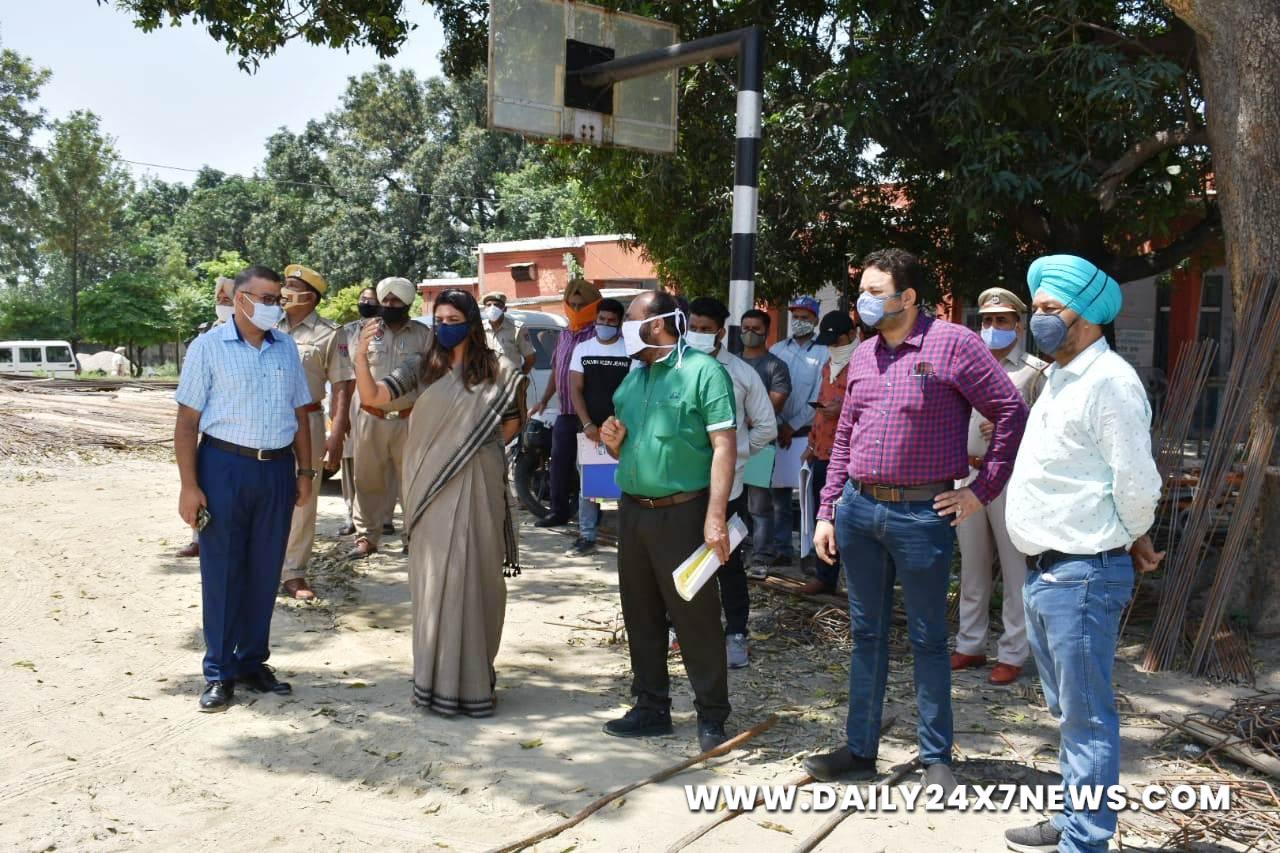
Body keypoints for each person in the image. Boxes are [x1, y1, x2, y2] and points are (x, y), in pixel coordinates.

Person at [806, 249, 1028, 794]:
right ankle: (860, 751)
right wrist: (828, 510)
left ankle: (936, 759)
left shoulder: (954, 344)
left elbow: (1010, 411)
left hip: (922, 514)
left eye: (875, 292)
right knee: (866, 634)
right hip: (859, 510)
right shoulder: (863, 355)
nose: (864, 301)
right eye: (861, 291)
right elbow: (844, 437)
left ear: (907, 297)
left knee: (928, 639)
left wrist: (981, 489)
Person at [1002, 256, 1163, 853]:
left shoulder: (1110, 383)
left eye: (1050, 309)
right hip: (1049, 572)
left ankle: (1086, 840)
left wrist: (1127, 533)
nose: (1037, 319)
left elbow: (1137, 483)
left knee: (1088, 716)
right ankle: (1074, 818)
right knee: (1069, 711)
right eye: (1036, 308)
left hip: (1082, 574)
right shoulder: (1062, 376)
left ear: (1088, 315)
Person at [352, 289, 523, 717]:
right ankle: (434, 682)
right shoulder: (422, 365)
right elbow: (374, 398)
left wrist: (473, 448)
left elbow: (512, 421)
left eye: (454, 320)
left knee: (480, 578)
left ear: (471, 323)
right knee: (434, 580)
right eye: (439, 320)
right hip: (429, 487)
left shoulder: (497, 369)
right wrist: (360, 358)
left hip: (479, 483)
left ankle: (476, 680)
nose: (445, 327)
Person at [599, 291, 738, 751]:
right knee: (639, 612)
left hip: (684, 513)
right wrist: (613, 442)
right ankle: (651, 707)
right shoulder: (633, 379)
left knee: (695, 616)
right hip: (634, 511)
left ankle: (712, 714)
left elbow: (724, 446)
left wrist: (715, 516)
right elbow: (623, 448)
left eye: (630, 319)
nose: (622, 328)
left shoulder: (704, 373)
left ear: (656, 324)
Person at [173, 265, 314, 712]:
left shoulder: (285, 346)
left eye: (278, 299)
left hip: (276, 471)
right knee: (223, 571)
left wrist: (306, 473)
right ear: (240, 300)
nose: (276, 307)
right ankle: (219, 671)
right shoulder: (208, 347)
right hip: (224, 467)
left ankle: (252, 662)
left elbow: (301, 413)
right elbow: (187, 422)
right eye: (267, 299)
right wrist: (189, 486)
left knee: (265, 570)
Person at [950, 288, 1048, 685]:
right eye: (987, 321)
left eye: (1002, 320)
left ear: (1019, 326)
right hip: (969, 474)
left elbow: (1050, 426)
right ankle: (970, 643)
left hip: (1011, 477)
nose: (993, 327)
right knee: (972, 565)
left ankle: (1012, 651)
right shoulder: (966, 366)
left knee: (1014, 568)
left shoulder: (1034, 371)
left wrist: (1016, 425)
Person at [687, 296, 776, 669]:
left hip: (728, 490)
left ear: (721, 333)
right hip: (682, 488)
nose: (698, 334)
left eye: (706, 330)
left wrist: (737, 457)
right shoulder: (674, 366)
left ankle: (736, 633)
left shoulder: (740, 372)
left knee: (728, 563)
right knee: (682, 558)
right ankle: (681, 630)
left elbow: (766, 426)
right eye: (693, 327)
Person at [275, 264, 352, 600]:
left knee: (303, 497)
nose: (284, 291)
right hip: (266, 419)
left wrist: (337, 433)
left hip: (308, 420)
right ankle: (262, 567)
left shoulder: (329, 333)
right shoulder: (266, 324)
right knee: (265, 493)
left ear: (309, 296)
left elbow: (342, 386)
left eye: (291, 287)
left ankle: (293, 572)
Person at [347, 276, 432, 559]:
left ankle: (413, 537)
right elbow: (355, 371)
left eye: (397, 300)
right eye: (386, 300)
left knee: (412, 481)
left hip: (409, 419)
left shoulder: (423, 335)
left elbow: (430, 378)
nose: (391, 304)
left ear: (408, 303)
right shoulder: (364, 332)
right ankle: (366, 537)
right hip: (370, 418)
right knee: (366, 480)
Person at [530, 278, 601, 528]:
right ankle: (558, 512)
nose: (576, 309)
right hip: (566, 411)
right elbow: (556, 369)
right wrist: (543, 400)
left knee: (592, 468)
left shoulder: (599, 334)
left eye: (581, 305)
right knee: (559, 462)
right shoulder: (565, 334)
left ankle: (593, 519)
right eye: (572, 304)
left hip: (590, 414)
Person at [798, 310, 859, 595]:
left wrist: (845, 408)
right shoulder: (828, 366)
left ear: (852, 335)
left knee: (850, 521)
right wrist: (811, 444)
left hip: (852, 456)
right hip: (824, 452)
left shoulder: (865, 364)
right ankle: (826, 576)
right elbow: (821, 406)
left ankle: (855, 582)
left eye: (837, 341)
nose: (833, 346)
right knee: (824, 516)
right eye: (829, 342)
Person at [177, 276, 237, 560]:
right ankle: (198, 537)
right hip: (207, 425)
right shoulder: (206, 334)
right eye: (219, 298)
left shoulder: (259, 333)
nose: (222, 303)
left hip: (236, 425)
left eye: (228, 298)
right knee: (199, 483)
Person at [566, 298, 631, 555]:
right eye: (601, 319)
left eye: (611, 321)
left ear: (620, 323)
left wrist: (618, 426)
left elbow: (634, 391)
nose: (605, 324)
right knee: (589, 485)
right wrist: (587, 424)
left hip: (622, 432)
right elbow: (575, 388)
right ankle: (587, 537)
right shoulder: (583, 349)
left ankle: (629, 538)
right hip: (590, 432)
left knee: (625, 484)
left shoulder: (630, 351)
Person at [769, 296, 828, 570]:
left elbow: (818, 396)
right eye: (795, 316)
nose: (799, 322)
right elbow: (770, 388)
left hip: (807, 434)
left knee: (809, 497)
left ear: (815, 320)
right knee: (778, 496)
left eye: (805, 317)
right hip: (778, 433)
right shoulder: (778, 349)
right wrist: (779, 424)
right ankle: (782, 549)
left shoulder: (824, 352)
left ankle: (811, 554)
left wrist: (791, 426)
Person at [738, 308, 792, 577]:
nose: (749, 333)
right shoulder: (730, 362)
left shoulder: (775, 366)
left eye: (755, 329)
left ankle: (761, 556)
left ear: (767, 331)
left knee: (759, 506)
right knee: (733, 502)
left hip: (760, 443)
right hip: (730, 443)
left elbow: (774, 403)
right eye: (745, 328)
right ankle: (737, 552)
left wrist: (740, 420)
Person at [336, 286, 381, 536]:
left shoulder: (386, 330)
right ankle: (350, 513)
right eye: (363, 299)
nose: (366, 303)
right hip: (351, 398)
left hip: (378, 399)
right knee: (349, 458)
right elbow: (338, 369)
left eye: (371, 300)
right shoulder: (346, 331)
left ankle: (381, 516)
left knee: (378, 459)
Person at [481, 291, 536, 377]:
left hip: (510, 382)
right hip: (487, 382)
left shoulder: (517, 328)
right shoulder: (479, 329)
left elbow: (530, 358)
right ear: (485, 309)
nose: (492, 308)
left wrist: (518, 378)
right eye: (489, 305)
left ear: (504, 309)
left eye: (496, 305)